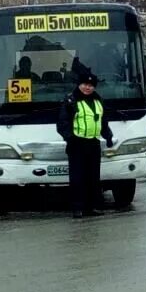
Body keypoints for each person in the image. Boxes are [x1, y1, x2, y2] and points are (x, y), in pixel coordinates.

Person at [56, 73, 114, 218]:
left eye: (91, 85)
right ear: (79, 85)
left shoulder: (98, 100)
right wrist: (70, 138)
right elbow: (62, 123)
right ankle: (77, 208)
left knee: (93, 177)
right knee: (77, 178)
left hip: (93, 143)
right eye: (85, 84)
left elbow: (103, 121)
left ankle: (93, 206)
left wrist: (108, 137)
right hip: (77, 144)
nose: (88, 87)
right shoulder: (71, 100)